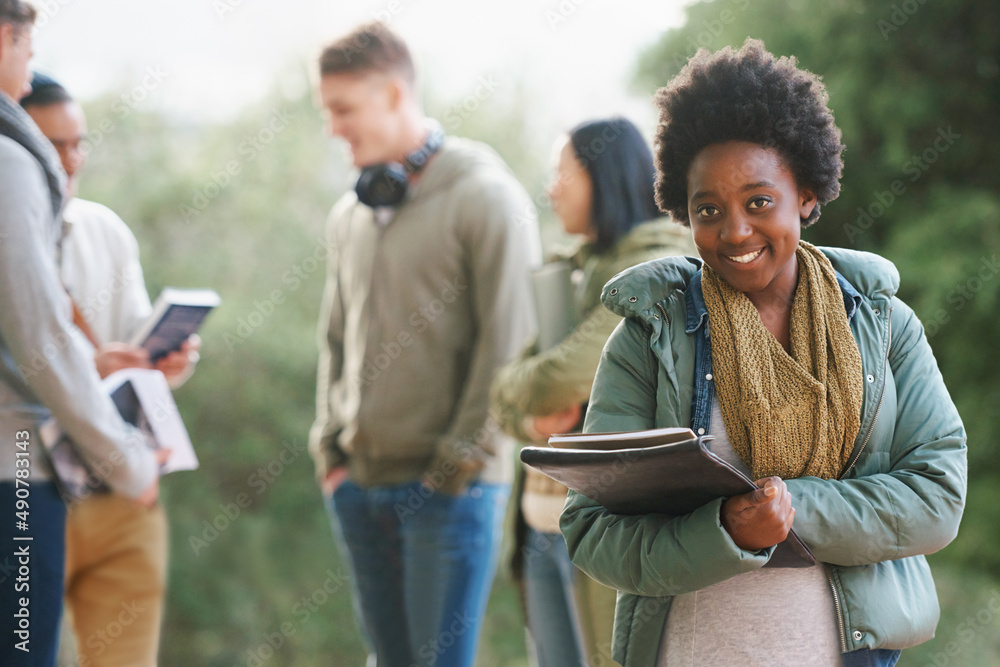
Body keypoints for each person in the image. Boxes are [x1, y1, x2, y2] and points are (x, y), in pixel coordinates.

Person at [559, 39, 967, 667]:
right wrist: (724, 533)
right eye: (708, 210)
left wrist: (793, 509)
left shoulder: (886, 329)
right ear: (683, 212)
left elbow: (936, 498)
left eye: (758, 202)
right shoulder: (650, 336)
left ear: (805, 193)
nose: (735, 231)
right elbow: (593, 531)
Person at [309, 22, 541, 667]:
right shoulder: (348, 215)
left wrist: (456, 464)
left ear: (390, 95)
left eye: (342, 110)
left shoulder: (488, 199)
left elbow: (511, 344)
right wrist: (329, 451)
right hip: (357, 483)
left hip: (452, 491)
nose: (333, 128)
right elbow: (335, 338)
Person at [491, 117, 695, 667]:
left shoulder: (653, 267)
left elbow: (562, 376)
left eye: (564, 173)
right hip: (540, 531)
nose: (551, 188)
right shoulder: (572, 273)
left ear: (605, 176)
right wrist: (534, 421)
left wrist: (531, 394)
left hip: (603, 536)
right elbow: (506, 393)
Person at [0, 3, 160, 665]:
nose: (28, 64)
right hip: (12, 466)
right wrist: (127, 456)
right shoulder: (8, 162)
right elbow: (38, 334)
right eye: (26, 47)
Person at [21, 73, 199, 667]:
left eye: (79, 143)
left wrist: (167, 364)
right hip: (29, 488)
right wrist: (84, 367)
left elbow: (136, 348)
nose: (70, 161)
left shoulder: (105, 232)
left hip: (123, 494)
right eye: (53, 145)